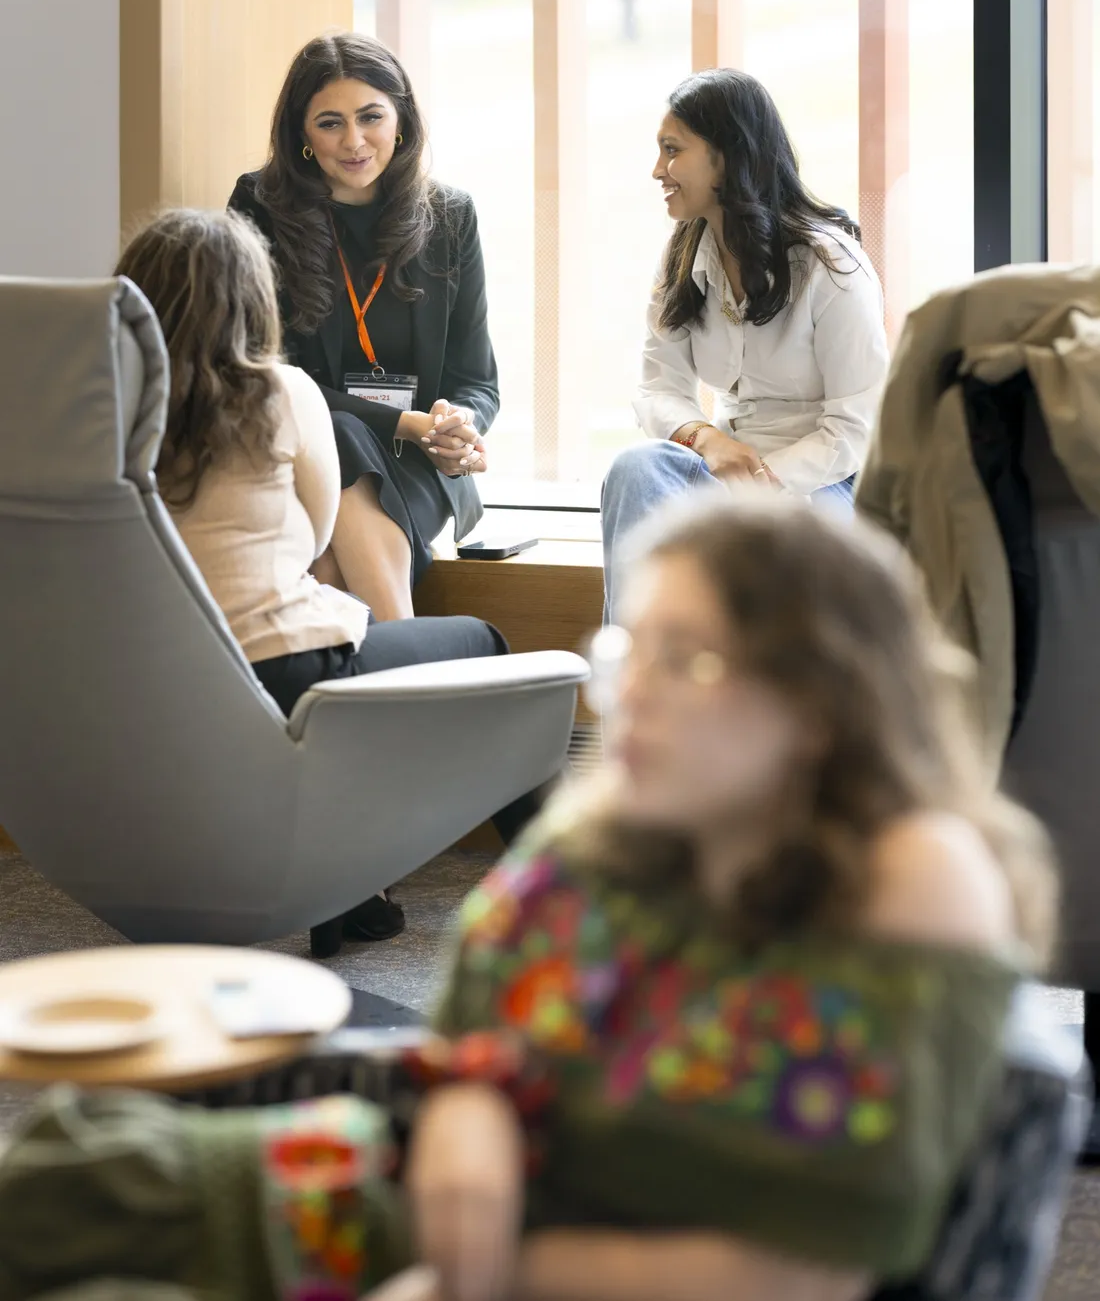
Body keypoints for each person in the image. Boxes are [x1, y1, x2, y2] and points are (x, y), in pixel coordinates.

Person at [0, 493, 1056, 1301]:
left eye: (685, 660)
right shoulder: (631, 829)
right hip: (384, 1186)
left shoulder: (908, 879)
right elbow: (481, 1038)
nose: (626, 690)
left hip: (475, 1249)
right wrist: (469, 1109)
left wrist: (484, 1261)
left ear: (820, 698)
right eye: (629, 646)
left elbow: (792, 1272)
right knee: (69, 1169)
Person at [115, 209, 531, 955]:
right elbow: (314, 528)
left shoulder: (103, 410)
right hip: (280, 665)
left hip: (152, 681)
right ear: (252, 299)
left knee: (343, 629)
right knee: (488, 645)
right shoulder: (280, 392)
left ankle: (354, 891)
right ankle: (574, 899)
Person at [228, 31, 497, 626]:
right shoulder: (258, 207)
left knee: (325, 572)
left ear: (400, 120)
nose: (353, 142)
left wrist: (459, 425)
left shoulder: (450, 216)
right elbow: (262, 376)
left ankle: (391, 679)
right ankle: (404, 659)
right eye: (329, 123)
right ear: (301, 133)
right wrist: (407, 422)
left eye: (371, 117)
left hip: (421, 463)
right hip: (303, 452)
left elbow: (477, 380)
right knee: (342, 435)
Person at [601, 67, 890, 618]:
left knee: (750, 551)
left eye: (672, 150)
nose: (658, 170)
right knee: (636, 468)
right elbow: (658, 388)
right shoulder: (684, 253)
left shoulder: (832, 266)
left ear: (727, 156)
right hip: (722, 469)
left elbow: (856, 426)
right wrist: (708, 441)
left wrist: (760, 482)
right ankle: (637, 673)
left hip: (824, 482)